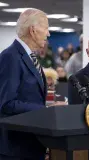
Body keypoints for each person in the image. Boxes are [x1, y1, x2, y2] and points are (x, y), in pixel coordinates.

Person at [0, 8, 51, 160]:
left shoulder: (29, 57)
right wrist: (45, 110)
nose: (48, 34)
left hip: (31, 144)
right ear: (33, 30)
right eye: (46, 28)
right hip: (16, 149)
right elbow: (6, 103)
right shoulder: (10, 57)